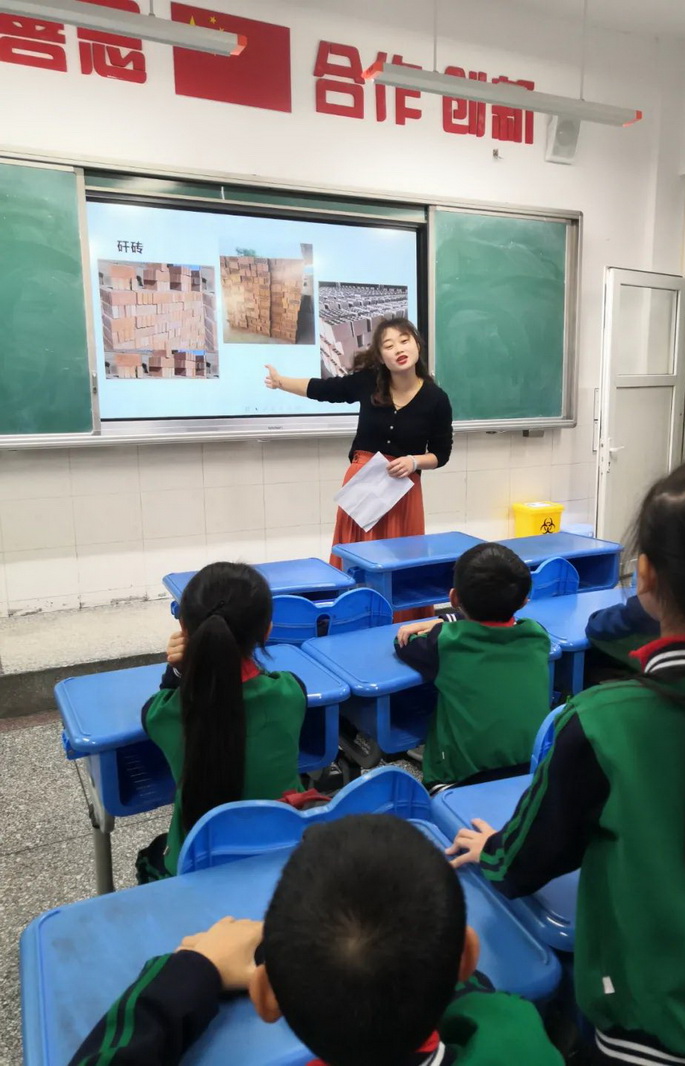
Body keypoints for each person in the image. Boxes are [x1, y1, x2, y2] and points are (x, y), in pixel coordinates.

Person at [448, 451, 685, 1066]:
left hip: (649, 1040)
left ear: (646, 578)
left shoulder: (602, 724)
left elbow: (528, 860)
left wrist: (492, 850)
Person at [69, 815, 564, 1066]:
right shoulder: (520, 1039)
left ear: (267, 996)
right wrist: (424, 956)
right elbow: (488, 1008)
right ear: (467, 957)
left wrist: (190, 972)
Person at [265, 317, 452, 621]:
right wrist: (281, 382)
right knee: (356, 556)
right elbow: (325, 389)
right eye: (388, 345)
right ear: (381, 356)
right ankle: (352, 620)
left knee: (400, 558)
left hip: (403, 490)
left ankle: (401, 623)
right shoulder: (370, 382)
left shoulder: (436, 399)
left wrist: (415, 461)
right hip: (363, 484)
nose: (398, 349)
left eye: (404, 340)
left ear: (417, 345)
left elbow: (441, 454)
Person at [136, 561, 306, 882]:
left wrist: (178, 668)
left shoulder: (165, 713)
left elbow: (158, 705)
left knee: (153, 853)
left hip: (198, 867)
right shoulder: (290, 692)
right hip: (284, 853)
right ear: (267, 630)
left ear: (184, 629)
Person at [394, 542, 552, 791]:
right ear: (524, 602)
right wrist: (448, 620)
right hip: (533, 772)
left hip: (458, 782)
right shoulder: (537, 635)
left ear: (453, 598)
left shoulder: (447, 642)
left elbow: (403, 643)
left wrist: (442, 622)